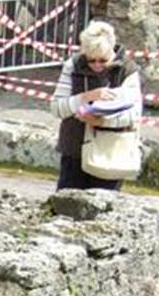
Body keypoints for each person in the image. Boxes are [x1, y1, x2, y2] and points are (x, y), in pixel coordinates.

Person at [50, 20, 142, 190]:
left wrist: (101, 121)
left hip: (110, 153)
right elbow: (57, 108)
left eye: (103, 60)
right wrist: (87, 97)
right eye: (91, 60)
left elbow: (134, 115)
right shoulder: (73, 65)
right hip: (74, 151)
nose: (97, 65)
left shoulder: (128, 70)